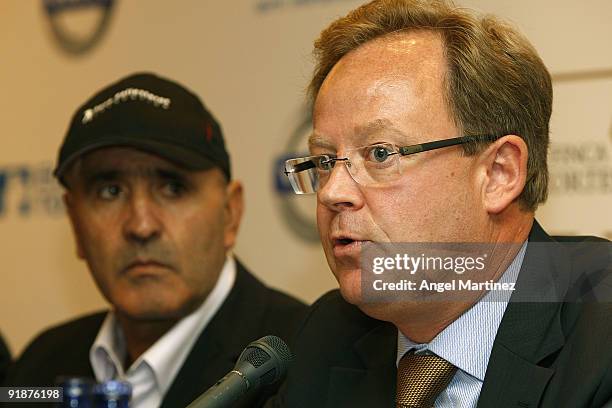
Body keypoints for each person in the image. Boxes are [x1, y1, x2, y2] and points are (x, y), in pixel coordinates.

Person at [273, 0, 612, 407]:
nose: (332, 192)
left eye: (380, 153)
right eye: (325, 161)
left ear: (499, 174)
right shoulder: (328, 336)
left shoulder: (601, 331)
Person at [5, 73, 307, 407]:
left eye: (173, 188)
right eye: (110, 191)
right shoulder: (39, 367)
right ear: (75, 224)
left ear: (230, 213)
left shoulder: (305, 360)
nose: (141, 225)